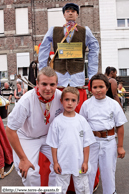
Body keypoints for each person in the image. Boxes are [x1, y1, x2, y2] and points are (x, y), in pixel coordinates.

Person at [39, 3, 100, 190]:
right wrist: (45, 70)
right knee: (57, 120)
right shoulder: (54, 30)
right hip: (59, 80)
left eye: (74, 11)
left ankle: (81, 165)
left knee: (78, 121)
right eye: (67, 11)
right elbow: (43, 48)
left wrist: (91, 73)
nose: (71, 13)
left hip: (77, 81)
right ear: (64, 14)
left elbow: (94, 48)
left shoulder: (85, 30)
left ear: (78, 15)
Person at [6, 67, 63, 194]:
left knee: (62, 165)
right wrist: (22, 159)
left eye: (52, 84)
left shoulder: (61, 97)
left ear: (57, 84)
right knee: (30, 172)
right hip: (27, 137)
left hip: (48, 137)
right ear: (37, 84)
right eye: (44, 84)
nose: (48, 88)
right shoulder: (26, 101)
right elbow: (10, 130)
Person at [80, 73, 127, 194]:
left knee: (108, 172)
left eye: (101, 86)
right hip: (91, 143)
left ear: (107, 87)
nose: (98, 90)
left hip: (109, 141)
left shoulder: (113, 104)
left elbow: (120, 126)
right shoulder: (86, 104)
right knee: (88, 171)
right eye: (95, 87)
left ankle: (110, 192)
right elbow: (81, 126)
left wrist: (120, 146)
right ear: (90, 89)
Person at [46, 87, 96, 194]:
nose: (70, 103)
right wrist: (55, 162)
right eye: (66, 99)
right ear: (61, 101)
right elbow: (53, 144)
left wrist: (85, 162)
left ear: (78, 102)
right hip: (62, 163)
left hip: (79, 164)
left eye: (73, 100)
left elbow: (86, 143)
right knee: (60, 189)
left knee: (82, 188)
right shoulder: (57, 122)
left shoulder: (81, 121)